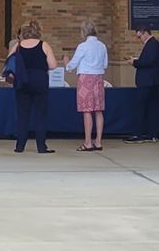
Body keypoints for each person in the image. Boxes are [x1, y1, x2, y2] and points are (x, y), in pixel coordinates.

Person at [10, 21, 58, 153]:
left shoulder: (18, 46)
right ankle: (41, 147)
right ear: (38, 32)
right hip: (39, 80)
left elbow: (10, 63)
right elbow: (53, 65)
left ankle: (20, 146)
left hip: (22, 81)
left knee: (22, 114)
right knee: (40, 114)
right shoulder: (44, 45)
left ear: (23, 33)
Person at [63, 21, 110, 151]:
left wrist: (67, 63)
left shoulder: (83, 46)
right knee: (99, 110)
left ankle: (88, 142)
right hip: (99, 78)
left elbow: (72, 65)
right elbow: (105, 64)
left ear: (84, 32)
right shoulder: (102, 46)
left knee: (87, 110)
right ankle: (98, 141)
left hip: (85, 78)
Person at [124, 27, 159, 142]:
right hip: (150, 81)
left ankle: (139, 134)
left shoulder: (153, 44)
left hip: (148, 82)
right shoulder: (152, 44)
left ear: (145, 33)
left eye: (140, 36)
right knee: (149, 108)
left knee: (141, 108)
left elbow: (148, 62)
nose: (139, 39)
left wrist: (134, 62)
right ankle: (151, 134)